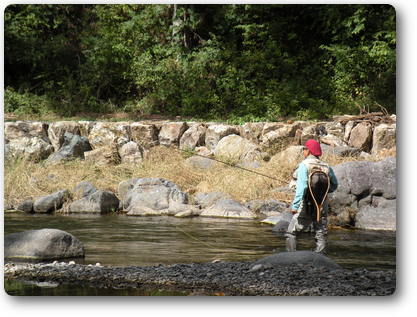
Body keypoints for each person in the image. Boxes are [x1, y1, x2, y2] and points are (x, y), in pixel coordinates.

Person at [285, 139, 338, 253]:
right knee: (321, 233)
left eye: (304, 149)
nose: (303, 151)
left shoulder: (304, 165)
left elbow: (302, 187)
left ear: (308, 151)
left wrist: (295, 205)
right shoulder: (327, 166)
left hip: (307, 204)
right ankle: (321, 259)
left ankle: (291, 258)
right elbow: (334, 185)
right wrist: (321, 193)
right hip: (321, 205)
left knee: (291, 233)